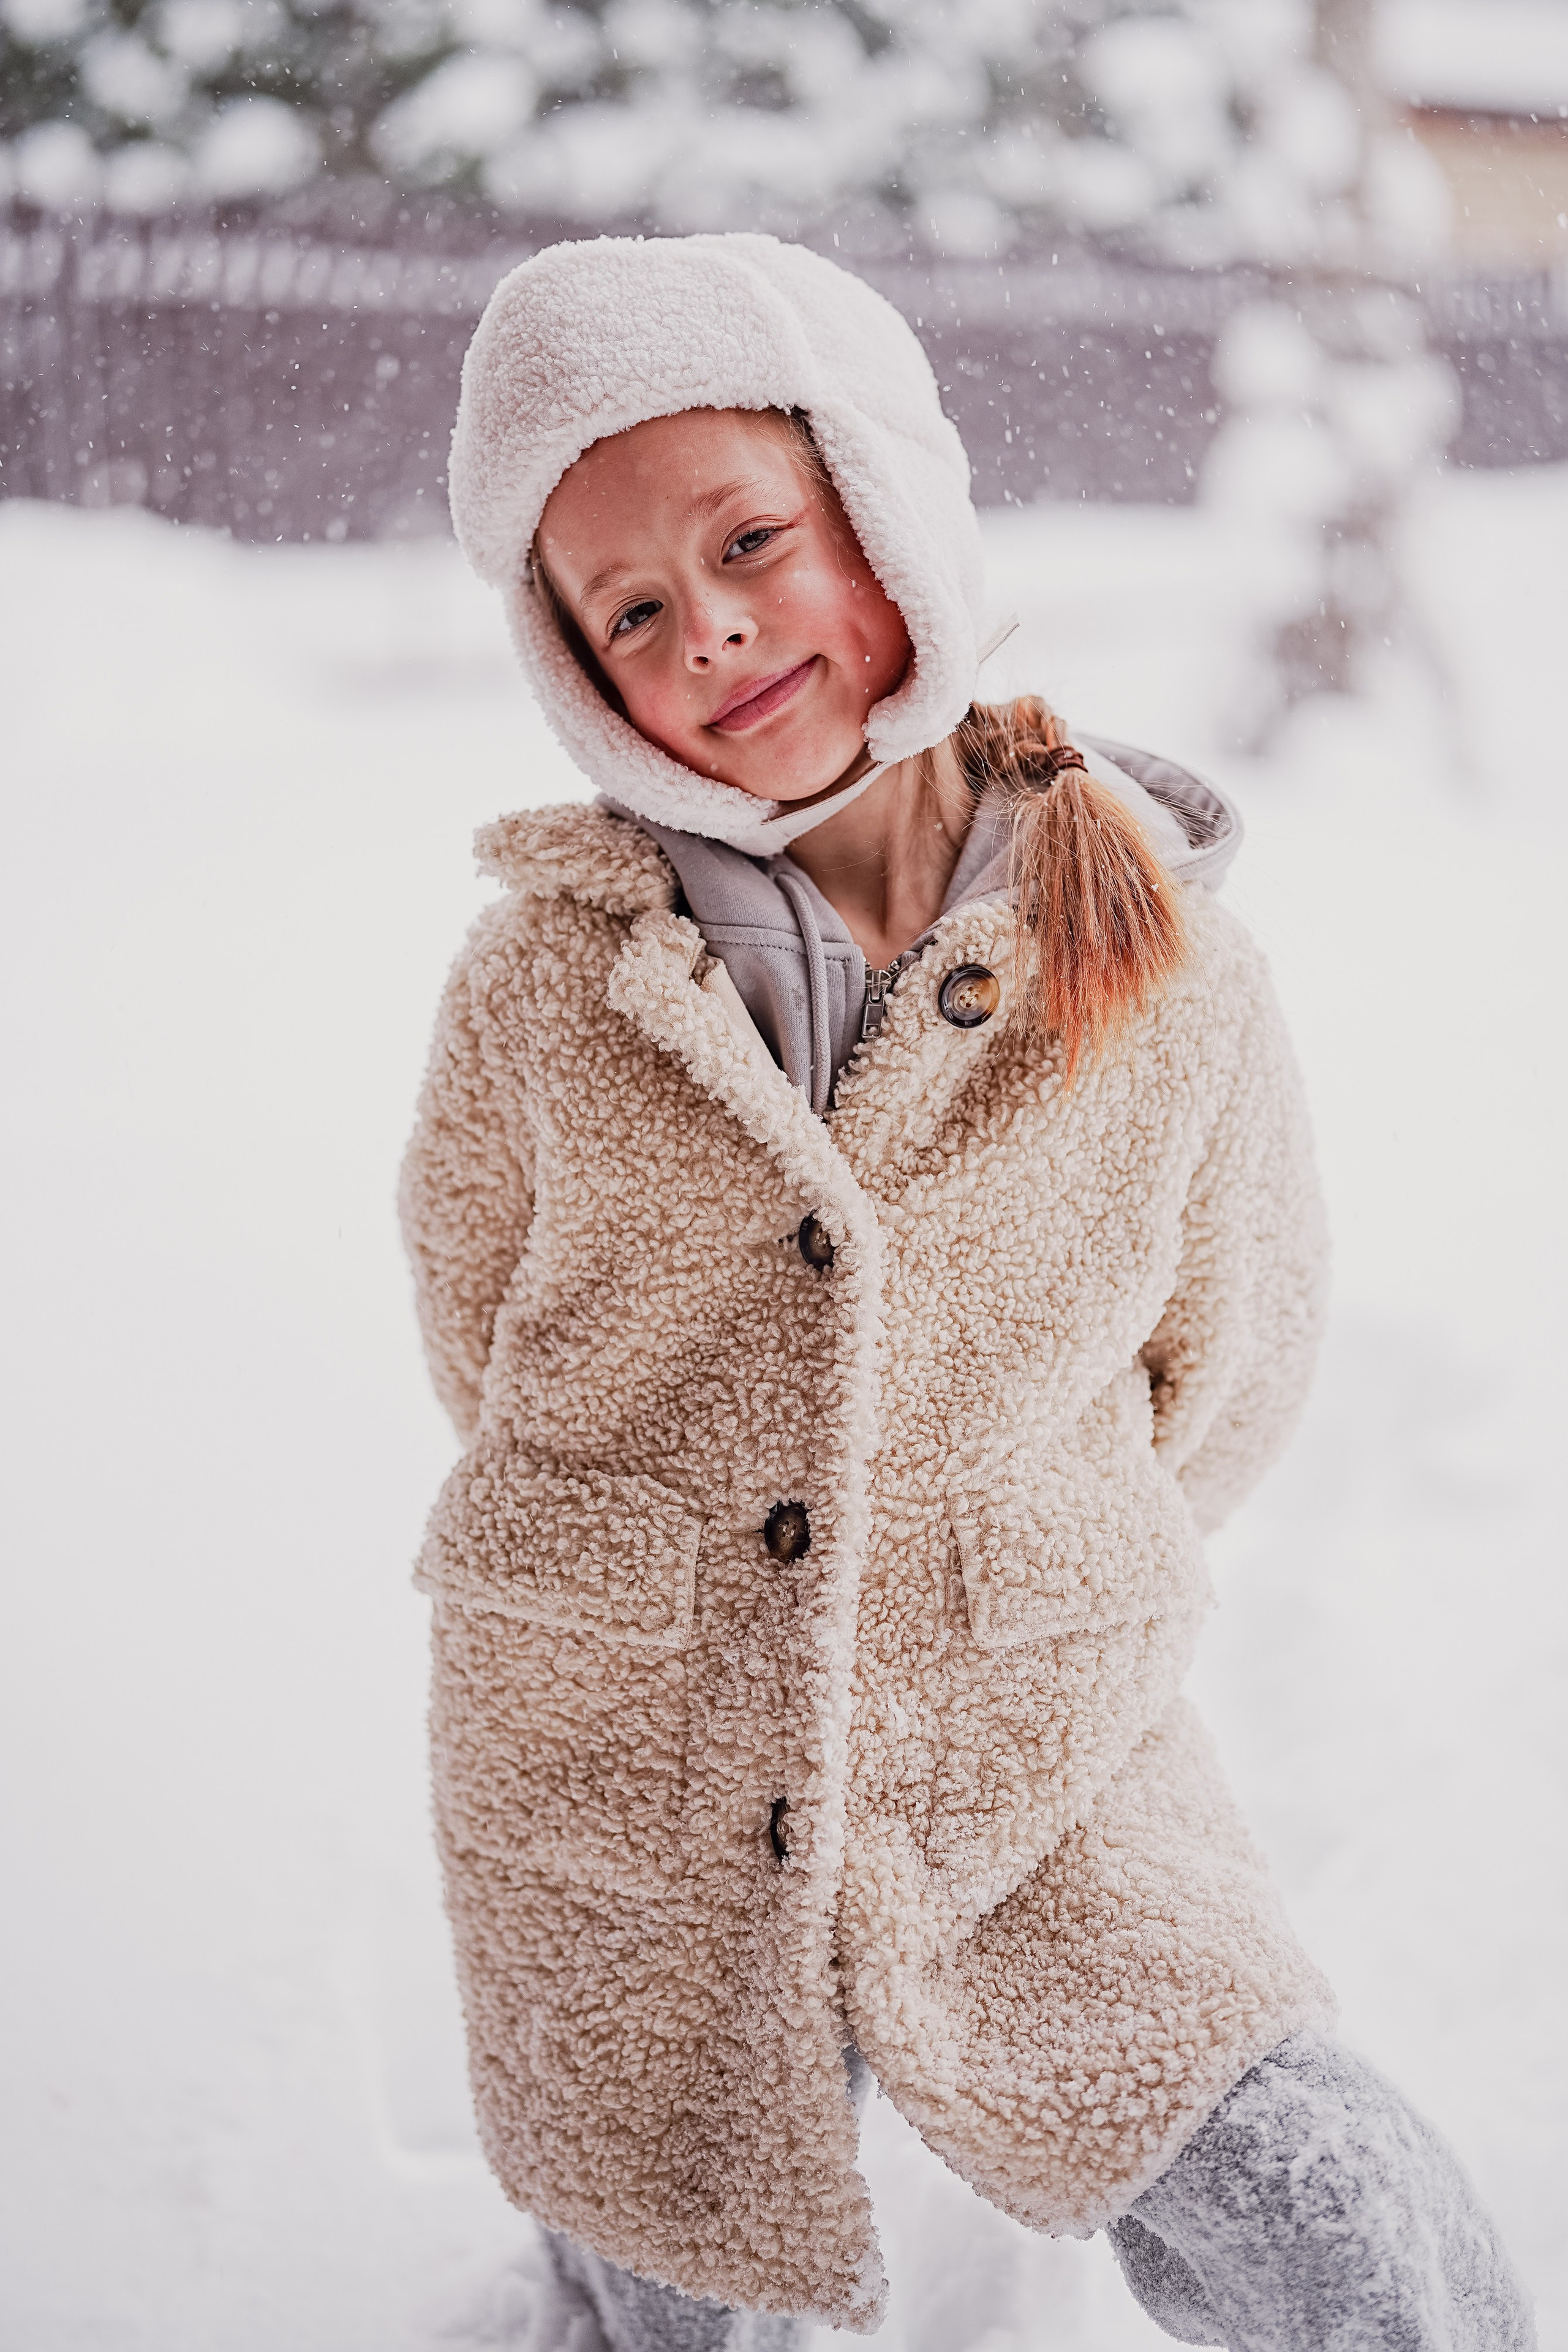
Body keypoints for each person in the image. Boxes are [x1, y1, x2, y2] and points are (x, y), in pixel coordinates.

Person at [399, 234, 1533, 2351]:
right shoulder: (549, 981)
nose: (710, 624)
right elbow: (482, 1321)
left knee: (1316, 2202)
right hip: (631, 1731)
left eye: (753, 540)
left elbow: (1233, 1349)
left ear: (887, 508)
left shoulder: (1154, 955)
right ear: (579, 674)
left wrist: (1018, 1542)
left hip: (1026, 1727)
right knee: (672, 2233)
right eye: (631, 611)